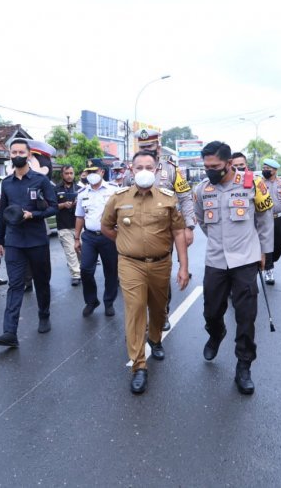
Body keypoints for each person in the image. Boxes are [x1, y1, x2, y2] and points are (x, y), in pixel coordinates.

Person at [101, 150, 190, 394]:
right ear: (131, 170)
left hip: (161, 263)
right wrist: (125, 242)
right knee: (136, 308)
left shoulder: (168, 198)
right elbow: (106, 226)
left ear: (156, 170)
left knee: (159, 309)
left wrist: (184, 266)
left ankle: (155, 338)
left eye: (148, 167)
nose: (143, 171)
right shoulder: (118, 198)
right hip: (130, 264)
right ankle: (139, 365)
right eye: (138, 167)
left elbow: (178, 232)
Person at [194, 143, 273, 394]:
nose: (210, 171)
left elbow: (264, 218)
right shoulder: (201, 189)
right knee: (211, 311)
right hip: (216, 260)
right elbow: (202, 222)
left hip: (246, 260)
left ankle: (244, 365)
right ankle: (216, 334)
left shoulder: (252, 183)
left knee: (246, 316)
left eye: (215, 167)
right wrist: (220, 240)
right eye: (206, 167)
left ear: (229, 163)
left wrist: (263, 251)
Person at [0, 139, 57, 347]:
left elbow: (54, 207)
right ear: (10, 155)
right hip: (14, 242)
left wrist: (33, 214)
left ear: (29, 155)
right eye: (14, 152)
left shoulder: (41, 180)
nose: (17, 154)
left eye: (21, 151)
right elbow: (2, 213)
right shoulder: (7, 183)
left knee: (41, 281)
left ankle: (44, 314)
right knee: (15, 284)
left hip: (37, 240)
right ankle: (10, 332)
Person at [135, 128, 196, 331]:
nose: (146, 150)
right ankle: (142, 316)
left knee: (160, 276)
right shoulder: (131, 170)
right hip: (138, 232)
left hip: (165, 233)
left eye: (150, 146)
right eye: (142, 147)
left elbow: (186, 198)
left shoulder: (171, 170)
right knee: (138, 276)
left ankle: (162, 312)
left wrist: (188, 226)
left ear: (158, 147)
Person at [75, 158, 119, 317]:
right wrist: (76, 238)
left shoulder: (114, 190)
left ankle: (109, 302)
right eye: (89, 172)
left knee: (111, 271)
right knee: (85, 269)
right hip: (89, 237)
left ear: (102, 171)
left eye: (94, 171)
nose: (91, 175)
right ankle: (91, 301)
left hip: (109, 236)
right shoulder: (82, 193)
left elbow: (121, 212)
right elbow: (80, 216)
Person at [55, 164, 81, 286]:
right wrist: (63, 205)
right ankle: (76, 275)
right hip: (63, 225)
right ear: (62, 174)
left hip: (78, 225)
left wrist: (77, 204)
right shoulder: (55, 189)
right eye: (67, 173)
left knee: (80, 251)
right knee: (70, 251)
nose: (69, 175)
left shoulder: (80, 188)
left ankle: (81, 270)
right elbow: (50, 207)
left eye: (71, 173)